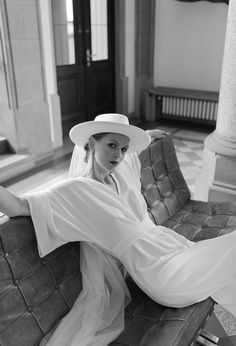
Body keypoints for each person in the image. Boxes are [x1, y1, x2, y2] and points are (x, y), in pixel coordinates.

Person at [0, 113, 236, 346]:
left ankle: (228, 337)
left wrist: (147, 135)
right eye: (112, 145)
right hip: (159, 273)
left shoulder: (120, 173)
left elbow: (134, 151)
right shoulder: (75, 191)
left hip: (174, 249)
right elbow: (17, 205)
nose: (119, 155)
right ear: (91, 143)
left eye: (123, 149)